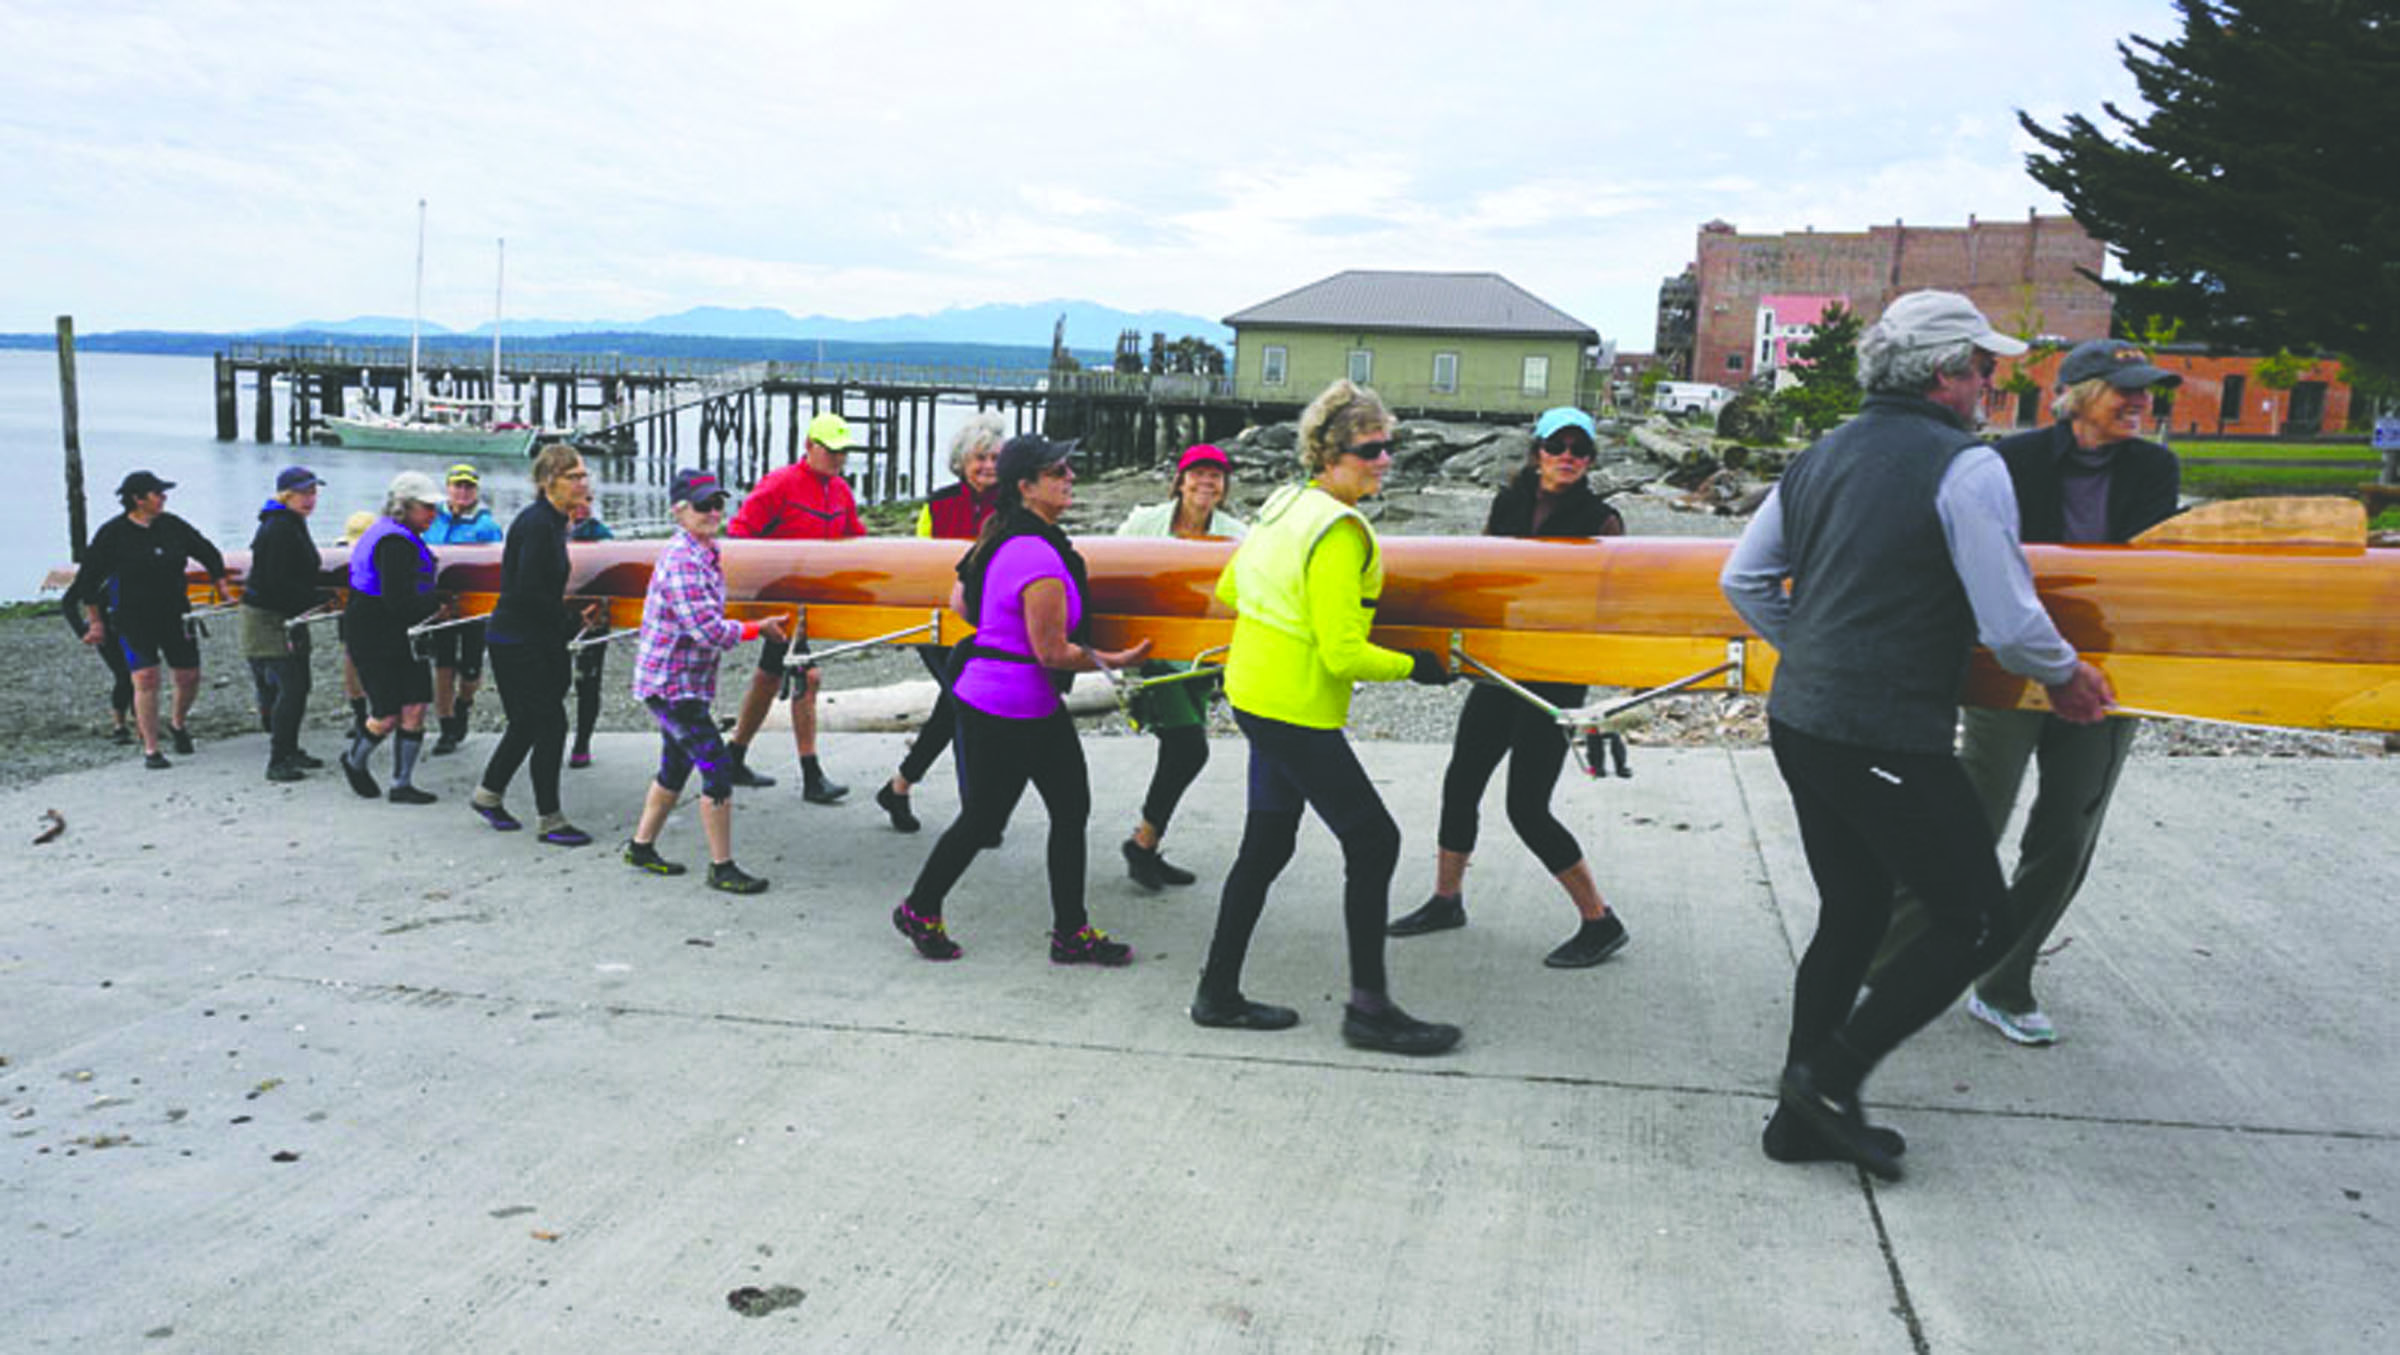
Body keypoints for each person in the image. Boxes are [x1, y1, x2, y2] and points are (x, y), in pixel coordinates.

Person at [1718, 290, 2115, 1180]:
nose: (1989, 383)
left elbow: (1745, 579)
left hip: (1801, 722)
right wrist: (2068, 675)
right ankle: (1827, 1083)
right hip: (1882, 734)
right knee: (1977, 919)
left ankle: (1797, 1122)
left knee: (1854, 909)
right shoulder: (1966, 468)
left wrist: (1814, 650)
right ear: (1945, 374)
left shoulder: (1819, 454)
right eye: (1983, 367)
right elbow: (2011, 623)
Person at [1871, 339, 2182, 1047]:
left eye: (2147, 390)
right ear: (2075, 393)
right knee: (1973, 813)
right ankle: (1886, 957)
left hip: (2109, 671)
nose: (2140, 401)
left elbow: (2146, 575)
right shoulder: (2008, 462)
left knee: (2067, 833)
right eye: (2124, 388)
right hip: (2010, 664)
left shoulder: (2155, 466)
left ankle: (2004, 982)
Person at [1187, 379, 1464, 1055]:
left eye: (1389, 446)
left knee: (1268, 844)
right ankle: (1368, 1010)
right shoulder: (1340, 531)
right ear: (1331, 454)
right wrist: (1422, 667)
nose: (1385, 460)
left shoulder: (1285, 504)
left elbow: (1229, 588)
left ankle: (1217, 993)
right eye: (1371, 449)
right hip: (1296, 709)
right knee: (1375, 842)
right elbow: (1342, 654)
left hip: (1253, 693)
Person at [890, 435, 1151, 966]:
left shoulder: (1002, 534)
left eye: (1069, 467)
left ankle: (1070, 932)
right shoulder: (1036, 553)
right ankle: (920, 908)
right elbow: (1052, 652)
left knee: (1065, 807)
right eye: (1057, 470)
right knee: (986, 818)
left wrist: (998, 628)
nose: (1070, 476)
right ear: (1026, 487)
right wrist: (1115, 661)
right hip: (1006, 704)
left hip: (1010, 697)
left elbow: (961, 599)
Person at [1388, 407, 1633, 967]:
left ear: (1590, 459)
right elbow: (1482, 574)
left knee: (1527, 806)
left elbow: (1606, 602)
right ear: (1538, 452)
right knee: (1462, 781)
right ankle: (1446, 900)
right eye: (1557, 445)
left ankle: (1600, 921)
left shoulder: (1602, 519)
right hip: (1499, 665)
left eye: (1579, 448)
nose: (1568, 455)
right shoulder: (1509, 503)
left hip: (1555, 674)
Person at [624, 469, 789, 894]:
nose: (713, 512)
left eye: (718, 503)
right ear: (678, 511)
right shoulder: (682, 560)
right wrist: (759, 628)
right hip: (671, 684)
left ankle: (641, 847)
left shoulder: (706, 551)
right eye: (703, 505)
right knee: (717, 767)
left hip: (684, 682)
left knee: (674, 765)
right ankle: (722, 866)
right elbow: (707, 631)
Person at [1110, 442, 1247, 890]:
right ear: (1180, 480)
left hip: (1202, 661)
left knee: (1179, 749)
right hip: (1151, 657)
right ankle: (1142, 843)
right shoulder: (1143, 523)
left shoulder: (1237, 533)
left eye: (1216, 476)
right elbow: (1113, 571)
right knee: (1190, 748)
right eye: (1198, 473)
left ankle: (1146, 845)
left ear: (1224, 487)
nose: (1206, 482)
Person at [724, 411, 869, 803]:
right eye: (831, 451)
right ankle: (811, 775)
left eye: (843, 453)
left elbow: (855, 540)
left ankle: (733, 756)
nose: (838, 460)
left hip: (810, 606)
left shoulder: (840, 491)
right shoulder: (779, 485)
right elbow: (738, 534)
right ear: (810, 446)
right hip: (777, 602)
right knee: (808, 677)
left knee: (770, 677)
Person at [874, 412, 1007, 833]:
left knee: (954, 707)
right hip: (939, 625)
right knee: (967, 707)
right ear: (961, 461)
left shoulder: (1013, 505)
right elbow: (922, 563)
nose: (988, 466)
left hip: (990, 625)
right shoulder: (938, 504)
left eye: (995, 458)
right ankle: (979, 815)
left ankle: (899, 787)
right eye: (979, 458)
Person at [469, 444, 597, 846]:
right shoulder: (539, 524)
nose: (582, 482)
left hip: (527, 636)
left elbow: (539, 588)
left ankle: (487, 795)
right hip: (518, 640)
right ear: (547, 482)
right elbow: (526, 591)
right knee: (550, 724)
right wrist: (572, 620)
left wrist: (567, 619)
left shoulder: (552, 522)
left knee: (526, 722)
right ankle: (550, 820)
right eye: (572, 476)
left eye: (583, 475)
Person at [68, 470, 229, 769]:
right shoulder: (113, 533)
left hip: (174, 612)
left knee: (188, 676)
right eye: (158, 493)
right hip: (132, 616)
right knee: (145, 678)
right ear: (137, 499)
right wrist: (95, 622)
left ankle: (178, 723)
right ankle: (151, 748)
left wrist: (220, 583)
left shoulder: (172, 526)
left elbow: (207, 551)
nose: (164, 498)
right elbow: (88, 580)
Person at [339, 471, 450, 805]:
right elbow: (398, 600)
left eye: (434, 508)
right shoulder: (394, 542)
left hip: (402, 633)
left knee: (416, 705)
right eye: (426, 508)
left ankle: (402, 783)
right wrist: (437, 604)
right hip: (376, 632)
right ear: (404, 507)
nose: (433, 514)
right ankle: (355, 761)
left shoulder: (400, 535)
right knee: (386, 714)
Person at [241, 466, 332, 782]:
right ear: (286, 495)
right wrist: (316, 597)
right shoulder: (279, 528)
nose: (310, 499)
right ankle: (278, 759)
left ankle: (290, 748)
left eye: (313, 493)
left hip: (289, 615)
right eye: (303, 493)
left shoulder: (292, 523)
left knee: (299, 685)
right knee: (290, 687)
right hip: (270, 618)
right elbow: (275, 582)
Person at [424, 463, 503, 755]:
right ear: (448, 488)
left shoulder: (486, 526)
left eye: (468, 487)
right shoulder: (433, 520)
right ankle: (446, 725)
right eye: (458, 486)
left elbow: (496, 566)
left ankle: (464, 703)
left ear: (476, 491)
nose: (463, 492)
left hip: (473, 605)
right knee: (443, 664)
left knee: (470, 667)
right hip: (440, 604)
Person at [567, 498, 615, 769]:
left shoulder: (602, 535)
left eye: (587, 500)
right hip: (560, 613)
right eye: (577, 501)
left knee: (588, 682)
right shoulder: (554, 530)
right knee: (555, 680)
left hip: (592, 615)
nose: (582, 506)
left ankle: (582, 743)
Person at [334, 510, 378, 739]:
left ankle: (369, 714)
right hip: (354, 613)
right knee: (353, 662)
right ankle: (362, 715)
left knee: (359, 663)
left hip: (364, 613)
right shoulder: (348, 556)